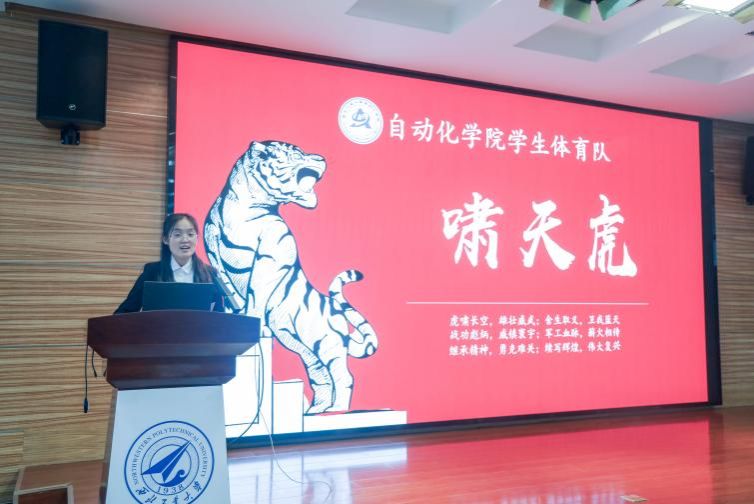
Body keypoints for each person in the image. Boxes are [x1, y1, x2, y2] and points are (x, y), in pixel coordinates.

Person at [114, 213, 224, 314]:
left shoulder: (211, 273)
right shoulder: (152, 272)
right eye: (177, 235)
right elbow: (125, 312)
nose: (185, 239)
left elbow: (220, 318)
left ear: (197, 238)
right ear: (165, 239)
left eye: (190, 234)